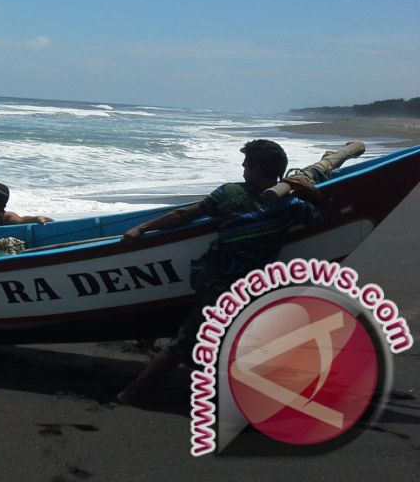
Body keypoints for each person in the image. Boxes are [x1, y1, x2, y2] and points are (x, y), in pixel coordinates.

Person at [116, 139, 329, 405]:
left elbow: (184, 215)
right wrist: (311, 193)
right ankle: (131, 393)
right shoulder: (290, 205)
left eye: (247, 164)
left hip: (218, 278)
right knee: (196, 337)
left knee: (196, 339)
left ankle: (134, 390)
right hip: (232, 283)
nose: (242, 167)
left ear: (257, 169)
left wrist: (142, 228)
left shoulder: (231, 194)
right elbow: (320, 218)